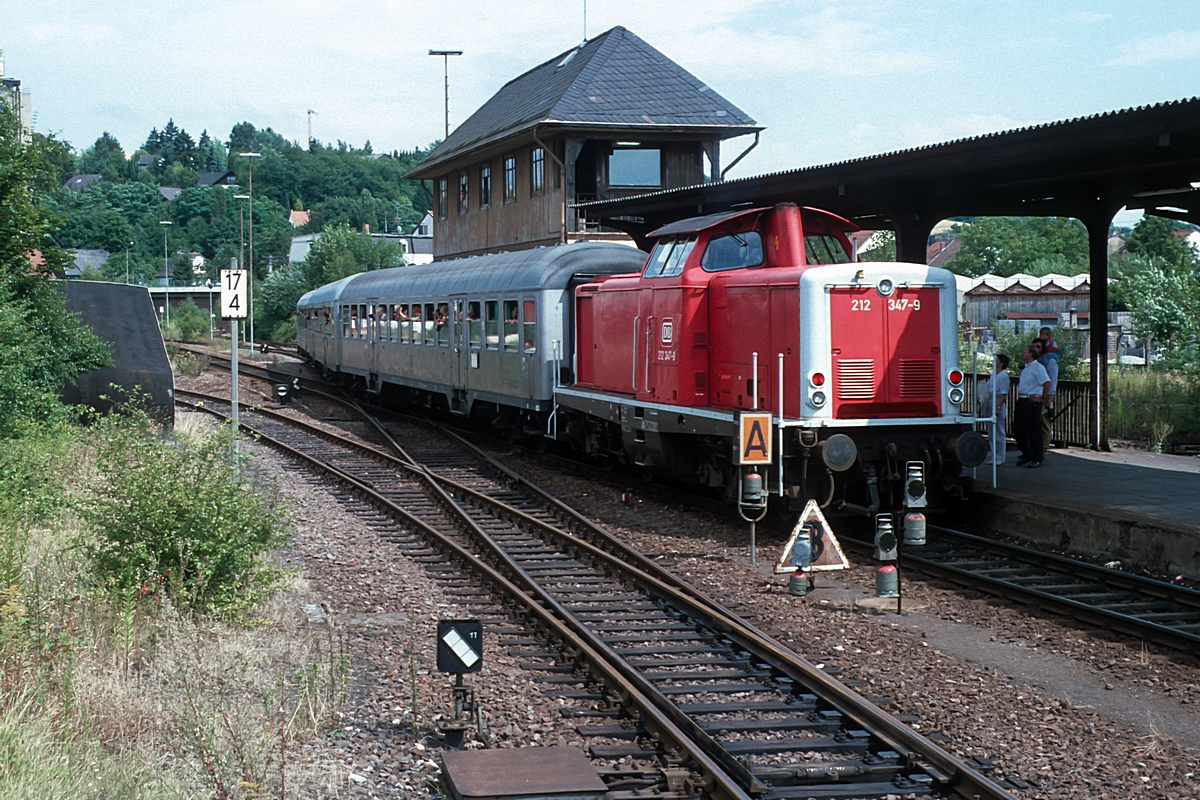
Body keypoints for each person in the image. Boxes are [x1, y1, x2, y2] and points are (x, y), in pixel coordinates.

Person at [1014, 345, 1051, 468]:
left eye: (1025, 351)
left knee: (1034, 430)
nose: (1023, 353)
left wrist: (1042, 399)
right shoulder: (1025, 368)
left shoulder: (1038, 367)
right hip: (1023, 399)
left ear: (1031, 354)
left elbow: (1047, 383)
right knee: (1018, 428)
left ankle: (1037, 457)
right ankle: (1027, 453)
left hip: (1032, 401)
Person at [983, 353, 1011, 465]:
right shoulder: (993, 375)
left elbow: (1004, 394)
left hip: (997, 400)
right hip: (990, 400)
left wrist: (998, 406)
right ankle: (994, 456)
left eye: (997, 360)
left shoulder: (1004, 376)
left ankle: (1000, 456)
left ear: (1001, 363)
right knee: (991, 432)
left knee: (999, 431)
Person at [1037, 327, 1060, 457]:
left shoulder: (1050, 361)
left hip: (1047, 395)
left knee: (1044, 423)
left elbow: (1052, 380)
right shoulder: (1041, 361)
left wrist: (1049, 397)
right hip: (1040, 393)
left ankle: (1043, 449)